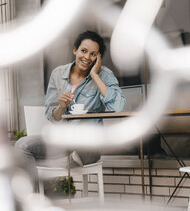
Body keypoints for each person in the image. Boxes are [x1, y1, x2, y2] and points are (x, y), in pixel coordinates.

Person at [15, 30, 126, 185]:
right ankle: (35, 196)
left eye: (93, 54)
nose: (87, 57)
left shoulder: (104, 75)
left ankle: (53, 167)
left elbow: (118, 106)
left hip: (88, 143)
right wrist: (61, 107)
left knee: (83, 150)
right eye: (84, 51)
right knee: (22, 145)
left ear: (98, 57)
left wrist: (95, 75)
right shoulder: (58, 74)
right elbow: (51, 115)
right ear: (75, 50)